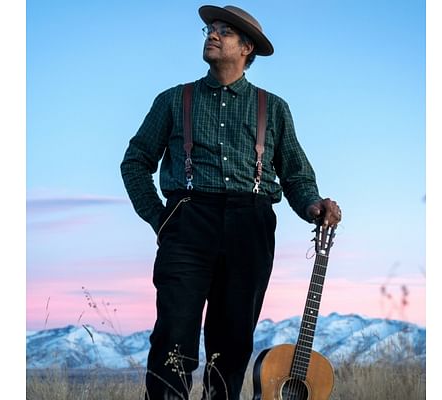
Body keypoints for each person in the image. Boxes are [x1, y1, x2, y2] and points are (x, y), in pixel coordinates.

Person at [120, 5, 342, 399]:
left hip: (250, 224)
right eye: (210, 28)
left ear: (247, 48)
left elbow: (296, 176)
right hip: (187, 222)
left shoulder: (272, 108)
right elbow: (135, 162)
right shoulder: (173, 100)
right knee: (173, 333)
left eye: (224, 31)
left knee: (233, 339)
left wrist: (312, 205)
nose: (212, 34)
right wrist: (161, 219)